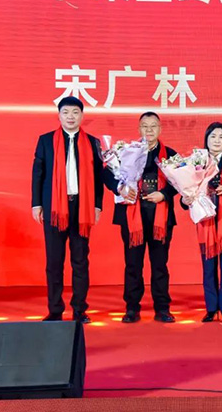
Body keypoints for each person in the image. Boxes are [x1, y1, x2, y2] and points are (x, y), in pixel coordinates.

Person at [31, 96, 104, 323]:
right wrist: (36, 204)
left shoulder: (93, 143)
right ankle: (55, 310)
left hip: (82, 208)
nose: (70, 117)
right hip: (54, 208)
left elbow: (99, 177)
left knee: (80, 261)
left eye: (75, 112)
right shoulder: (45, 141)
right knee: (54, 262)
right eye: (66, 112)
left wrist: (97, 205)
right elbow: (38, 174)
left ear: (82, 116)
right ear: (59, 115)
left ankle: (79, 309)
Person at [103, 112, 179, 323]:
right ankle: (131, 308)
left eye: (153, 126)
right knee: (133, 264)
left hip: (160, 217)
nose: (149, 130)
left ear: (160, 129)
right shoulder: (127, 151)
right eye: (145, 126)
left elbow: (180, 182)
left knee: (160, 265)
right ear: (138, 129)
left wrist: (164, 194)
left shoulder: (170, 155)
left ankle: (162, 308)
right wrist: (119, 188)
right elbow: (106, 173)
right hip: (132, 216)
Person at [181, 122, 222, 323]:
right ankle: (211, 308)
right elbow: (186, 193)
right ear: (206, 139)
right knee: (208, 265)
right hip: (206, 220)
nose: (217, 141)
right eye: (213, 136)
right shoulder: (196, 163)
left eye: (221, 137)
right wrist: (185, 199)